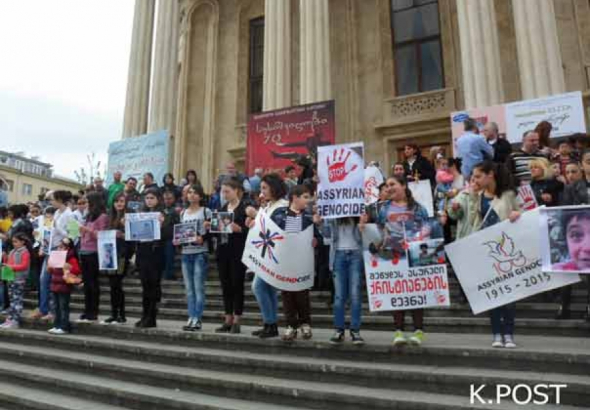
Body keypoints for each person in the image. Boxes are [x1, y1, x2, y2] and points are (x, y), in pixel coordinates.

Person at [372, 175, 431, 346]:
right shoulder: (384, 210)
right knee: (396, 292)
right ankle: (398, 331)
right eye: (387, 185)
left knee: (415, 293)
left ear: (404, 186)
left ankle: (418, 331)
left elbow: (427, 226)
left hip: (414, 255)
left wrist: (415, 239)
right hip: (393, 255)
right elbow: (381, 229)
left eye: (393, 184)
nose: (389, 188)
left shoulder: (418, 207)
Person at [469, 161, 521, 347]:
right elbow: (473, 221)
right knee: (492, 293)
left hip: (507, 250)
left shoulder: (508, 195)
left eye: (478, 176)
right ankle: (496, 334)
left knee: (509, 294)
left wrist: (517, 215)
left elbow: (523, 213)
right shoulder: (477, 196)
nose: (474, 180)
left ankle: (509, 333)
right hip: (486, 250)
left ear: (490, 175)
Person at [246, 173, 289, 339]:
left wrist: (256, 215)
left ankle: (270, 322)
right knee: (268, 289)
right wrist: (252, 223)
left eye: (264, 188)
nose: (261, 191)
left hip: (275, 254)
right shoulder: (268, 206)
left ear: (274, 188)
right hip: (266, 253)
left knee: (257, 287)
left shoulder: (283, 206)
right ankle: (270, 324)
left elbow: (276, 227)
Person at [272, 185, 316, 341]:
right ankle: (291, 325)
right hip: (284, 261)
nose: (308, 200)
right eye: (305, 197)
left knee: (302, 294)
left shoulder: (310, 216)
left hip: (303, 262)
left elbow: (319, 238)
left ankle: (305, 324)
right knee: (287, 294)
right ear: (294, 198)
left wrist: (317, 235)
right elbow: (273, 230)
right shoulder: (279, 214)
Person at [557, 149, 590, 320]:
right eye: (588, 161)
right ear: (582, 165)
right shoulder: (572, 188)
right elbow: (565, 212)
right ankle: (564, 306)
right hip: (581, 237)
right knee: (570, 272)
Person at [213, 177, 249, 334]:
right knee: (225, 285)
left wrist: (240, 229)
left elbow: (252, 231)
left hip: (238, 251)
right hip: (223, 250)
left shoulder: (245, 208)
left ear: (236, 191)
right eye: (222, 191)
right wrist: (211, 226)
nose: (225, 194)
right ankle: (227, 318)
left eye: (227, 191)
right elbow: (217, 232)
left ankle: (237, 319)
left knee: (237, 285)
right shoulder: (222, 208)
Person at [176, 184, 212, 331]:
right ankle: (191, 317)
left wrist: (203, 237)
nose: (191, 195)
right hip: (186, 253)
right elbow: (181, 232)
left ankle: (197, 318)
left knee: (198, 287)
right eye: (189, 192)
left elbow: (212, 230)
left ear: (201, 196)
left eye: (195, 193)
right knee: (189, 289)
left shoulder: (206, 211)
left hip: (200, 253)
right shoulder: (183, 213)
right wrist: (177, 240)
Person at [35, 190, 75, 322]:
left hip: (59, 250)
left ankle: (52, 311)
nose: (51, 202)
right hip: (49, 248)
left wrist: (60, 231)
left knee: (52, 280)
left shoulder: (70, 214)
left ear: (59, 200)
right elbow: (48, 231)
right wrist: (42, 245)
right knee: (43, 280)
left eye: (52, 199)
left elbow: (73, 235)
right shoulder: (56, 213)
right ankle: (43, 309)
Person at [327, 216, 365, 345]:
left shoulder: (360, 213)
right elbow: (326, 235)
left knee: (355, 294)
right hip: (338, 255)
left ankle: (355, 330)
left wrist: (362, 226)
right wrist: (320, 222)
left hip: (356, 254)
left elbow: (367, 237)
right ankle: (339, 329)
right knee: (339, 296)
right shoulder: (333, 215)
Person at [135, 188, 166, 328]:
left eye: (152, 198)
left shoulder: (163, 214)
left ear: (158, 199)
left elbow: (167, 234)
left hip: (156, 253)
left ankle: (151, 317)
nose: (149, 201)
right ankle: (144, 315)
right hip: (142, 252)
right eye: (147, 198)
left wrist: (161, 224)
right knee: (145, 285)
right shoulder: (141, 214)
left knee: (153, 286)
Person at [78, 192, 109, 323]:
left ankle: (93, 312)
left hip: (94, 252)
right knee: (86, 283)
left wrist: (88, 230)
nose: (86, 205)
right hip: (84, 250)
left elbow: (102, 235)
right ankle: (87, 310)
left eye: (88, 202)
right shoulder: (89, 216)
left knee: (92, 283)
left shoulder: (102, 217)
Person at [101, 193, 130, 324]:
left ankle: (121, 315)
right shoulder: (110, 217)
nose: (119, 203)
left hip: (122, 254)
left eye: (122, 201)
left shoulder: (128, 217)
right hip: (109, 254)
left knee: (117, 284)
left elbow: (133, 236)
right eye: (116, 201)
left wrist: (122, 234)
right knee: (112, 285)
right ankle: (114, 314)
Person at [48, 237, 81, 334]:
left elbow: (77, 270)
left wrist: (68, 267)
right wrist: (49, 267)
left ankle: (64, 326)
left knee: (63, 307)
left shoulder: (71, 258)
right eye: (59, 247)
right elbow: (51, 271)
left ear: (68, 248)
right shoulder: (55, 256)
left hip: (64, 285)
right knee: (56, 307)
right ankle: (56, 325)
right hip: (55, 284)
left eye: (62, 247)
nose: (59, 249)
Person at [0, 233, 31, 329]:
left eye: (16, 241)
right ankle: (10, 318)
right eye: (13, 241)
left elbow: (24, 266)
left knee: (17, 301)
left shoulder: (25, 252)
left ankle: (16, 320)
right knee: (12, 300)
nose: (14, 243)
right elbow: (9, 263)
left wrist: (11, 267)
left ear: (22, 242)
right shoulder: (12, 251)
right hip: (11, 278)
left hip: (19, 279)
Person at [161, 190, 180, 281]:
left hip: (171, 237)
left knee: (169, 256)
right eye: (165, 199)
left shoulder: (177, 210)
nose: (167, 201)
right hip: (160, 237)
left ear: (174, 199)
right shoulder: (160, 209)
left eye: (169, 199)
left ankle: (169, 274)